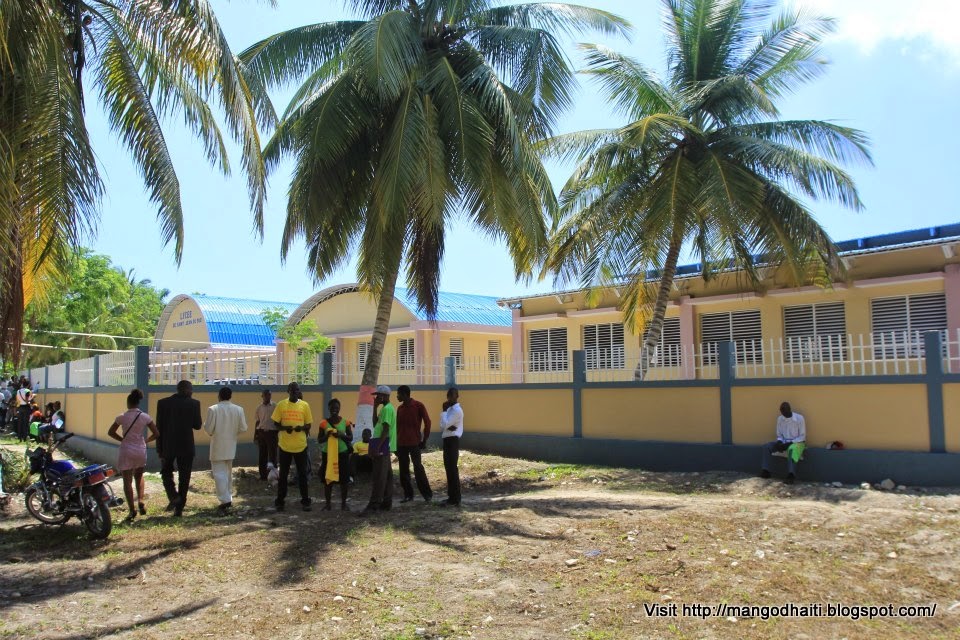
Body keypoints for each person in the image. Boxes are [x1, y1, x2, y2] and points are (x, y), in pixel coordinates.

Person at [107, 389, 159, 522]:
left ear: (128, 403)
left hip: (126, 449)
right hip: (140, 449)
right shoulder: (145, 417)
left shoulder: (121, 417)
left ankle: (132, 509)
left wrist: (122, 439)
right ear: (138, 402)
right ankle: (140, 500)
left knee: (127, 480)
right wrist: (145, 441)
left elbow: (111, 432)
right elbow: (156, 433)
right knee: (139, 476)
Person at [156, 380, 202, 517]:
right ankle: (179, 507)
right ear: (187, 390)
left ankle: (174, 496)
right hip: (186, 445)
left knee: (166, 472)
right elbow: (197, 425)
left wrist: (159, 448)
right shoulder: (194, 403)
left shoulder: (163, 403)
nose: (192, 392)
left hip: (168, 445)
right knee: (184, 476)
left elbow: (159, 427)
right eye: (191, 389)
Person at [204, 386, 248, 513]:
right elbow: (243, 428)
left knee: (219, 474)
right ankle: (228, 496)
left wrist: (207, 428)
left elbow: (208, 429)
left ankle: (225, 499)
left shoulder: (213, 409)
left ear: (219, 396)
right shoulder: (238, 409)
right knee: (228, 473)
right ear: (230, 396)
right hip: (231, 445)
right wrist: (233, 433)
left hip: (217, 445)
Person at [271, 381, 313, 512]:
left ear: (299, 391)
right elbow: (275, 424)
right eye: (293, 390)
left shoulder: (305, 405)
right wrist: (285, 428)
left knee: (302, 475)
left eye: (297, 390)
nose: (295, 392)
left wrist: (302, 427)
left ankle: (305, 501)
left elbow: (309, 424)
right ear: (288, 391)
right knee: (283, 475)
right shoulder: (281, 405)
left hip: (301, 446)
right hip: (285, 446)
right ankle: (280, 501)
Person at [362, 385, 397, 514]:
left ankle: (374, 505)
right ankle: (386, 503)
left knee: (379, 476)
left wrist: (377, 447)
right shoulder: (384, 408)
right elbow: (375, 424)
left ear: (384, 396)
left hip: (382, 445)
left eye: (378, 395)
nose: (376, 397)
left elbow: (386, 430)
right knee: (387, 476)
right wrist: (375, 408)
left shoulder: (387, 409)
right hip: (383, 444)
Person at [395, 385, 433, 503]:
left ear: (405, 394)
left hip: (414, 443)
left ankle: (427, 495)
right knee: (403, 470)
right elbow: (397, 427)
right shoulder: (400, 409)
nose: (397, 396)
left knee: (418, 469)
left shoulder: (418, 405)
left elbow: (428, 422)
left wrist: (424, 440)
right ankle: (408, 495)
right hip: (401, 444)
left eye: (398, 394)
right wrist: (395, 444)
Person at [318, 398, 353, 511]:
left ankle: (343, 504)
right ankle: (328, 504)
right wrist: (327, 436)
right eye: (332, 408)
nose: (334, 410)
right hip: (328, 454)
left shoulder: (345, 422)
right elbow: (319, 440)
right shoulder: (323, 423)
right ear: (328, 408)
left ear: (339, 409)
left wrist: (341, 435)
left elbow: (350, 437)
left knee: (344, 480)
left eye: (336, 408)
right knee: (328, 479)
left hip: (342, 454)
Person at [760, 402, 806, 484]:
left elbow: (802, 436)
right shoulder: (780, 419)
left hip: (797, 442)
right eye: (782, 412)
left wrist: (789, 444)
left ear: (789, 409)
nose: (784, 414)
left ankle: (791, 475)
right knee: (766, 446)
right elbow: (779, 434)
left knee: (792, 449)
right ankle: (766, 471)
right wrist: (779, 442)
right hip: (783, 442)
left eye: (785, 411)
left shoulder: (799, 418)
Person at [440, 387, 464, 506]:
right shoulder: (450, 409)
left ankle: (455, 499)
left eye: (452, 395)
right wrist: (447, 425)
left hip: (452, 441)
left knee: (452, 469)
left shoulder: (456, 410)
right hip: (447, 440)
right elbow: (442, 426)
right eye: (448, 395)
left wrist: (444, 412)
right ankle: (451, 497)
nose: (449, 398)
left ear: (457, 396)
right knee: (448, 469)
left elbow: (444, 424)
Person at [254, 389, 278, 481]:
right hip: (261, 433)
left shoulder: (275, 406)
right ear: (262, 396)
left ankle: (273, 475)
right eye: (266, 395)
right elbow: (257, 422)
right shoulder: (259, 408)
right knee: (262, 455)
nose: (268, 397)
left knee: (272, 455)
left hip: (272, 433)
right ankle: (263, 475)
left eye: (269, 395)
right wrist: (255, 435)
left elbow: (278, 420)